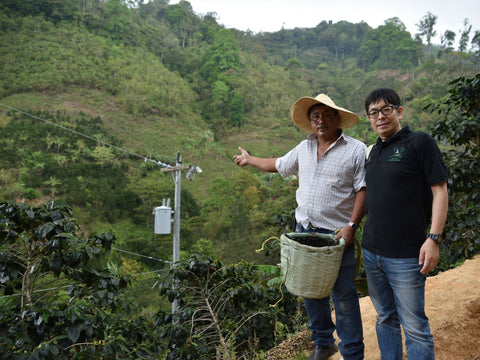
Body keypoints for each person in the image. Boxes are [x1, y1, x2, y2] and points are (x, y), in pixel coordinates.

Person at [233, 94, 366, 360]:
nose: (320, 120)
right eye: (315, 116)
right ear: (310, 122)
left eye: (326, 115)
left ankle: (352, 353)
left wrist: (352, 225)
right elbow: (277, 165)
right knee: (310, 290)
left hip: (337, 236)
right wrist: (250, 160)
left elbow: (363, 190)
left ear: (336, 118)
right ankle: (323, 342)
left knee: (343, 295)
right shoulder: (303, 148)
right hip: (304, 231)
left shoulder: (355, 149)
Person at [362, 88, 449, 359]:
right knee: (385, 317)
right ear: (369, 119)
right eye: (374, 112)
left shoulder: (419, 142)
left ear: (399, 111)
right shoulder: (372, 151)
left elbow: (440, 190)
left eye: (386, 109)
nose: (380, 116)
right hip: (372, 253)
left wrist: (433, 239)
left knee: (414, 327)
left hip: (406, 256)